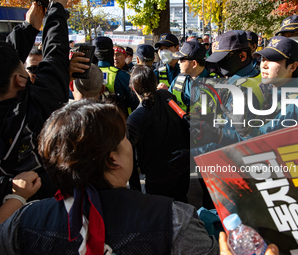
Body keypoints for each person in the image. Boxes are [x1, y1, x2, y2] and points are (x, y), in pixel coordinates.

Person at [0, 100, 219, 254]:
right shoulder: (175, 219)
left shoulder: (21, 222)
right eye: (125, 138)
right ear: (113, 159)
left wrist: (17, 199)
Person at [0, 0, 69, 201]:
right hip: (47, 202)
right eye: (27, 69)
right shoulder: (40, 102)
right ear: (18, 80)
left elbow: (6, 62)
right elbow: (55, 55)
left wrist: (28, 29)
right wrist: (56, 8)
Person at [127, 65, 190, 203]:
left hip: (157, 178)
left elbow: (129, 159)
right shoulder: (166, 96)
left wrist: (135, 191)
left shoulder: (134, 120)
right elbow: (184, 126)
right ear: (155, 83)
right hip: (181, 169)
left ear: (133, 88)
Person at [168, 41, 218, 115]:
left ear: (194, 63)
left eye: (181, 59)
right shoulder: (178, 80)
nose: (178, 62)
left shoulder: (216, 84)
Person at [92, 37, 137, 116]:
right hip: (118, 123)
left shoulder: (85, 75)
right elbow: (135, 101)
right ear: (112, 53)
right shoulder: (122, 76)